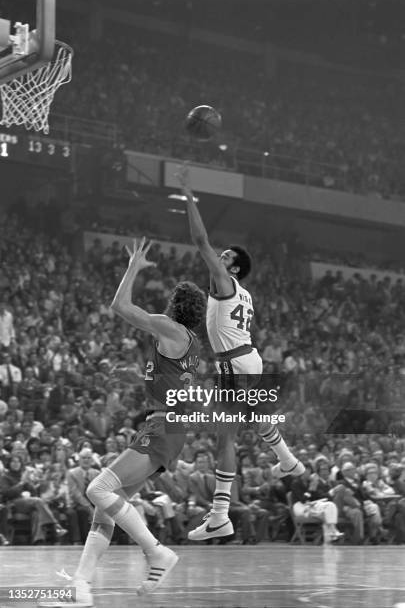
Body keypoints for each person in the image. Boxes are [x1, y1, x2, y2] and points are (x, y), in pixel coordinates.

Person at [39, 237, 206, 607]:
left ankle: (156, 551)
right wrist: (137, 380)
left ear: (174, 306)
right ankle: (80, 589)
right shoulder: (189, 342)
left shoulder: (169, 329)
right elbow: (171, 384)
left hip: (164, 427)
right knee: (104, 515)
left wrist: (133, 265)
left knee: (98, 489)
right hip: (170, 427)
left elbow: (120, 306)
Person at [176, 163, 303, 541]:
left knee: (225, 436)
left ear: (233, 266)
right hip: (247, 357)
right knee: (255, 418)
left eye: (226, 254)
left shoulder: (225, 282)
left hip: (234, 362)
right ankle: (288, 460)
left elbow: (200, 241)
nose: (220, 254)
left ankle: (219, 516)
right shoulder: (243, 294)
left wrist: (187, 193)